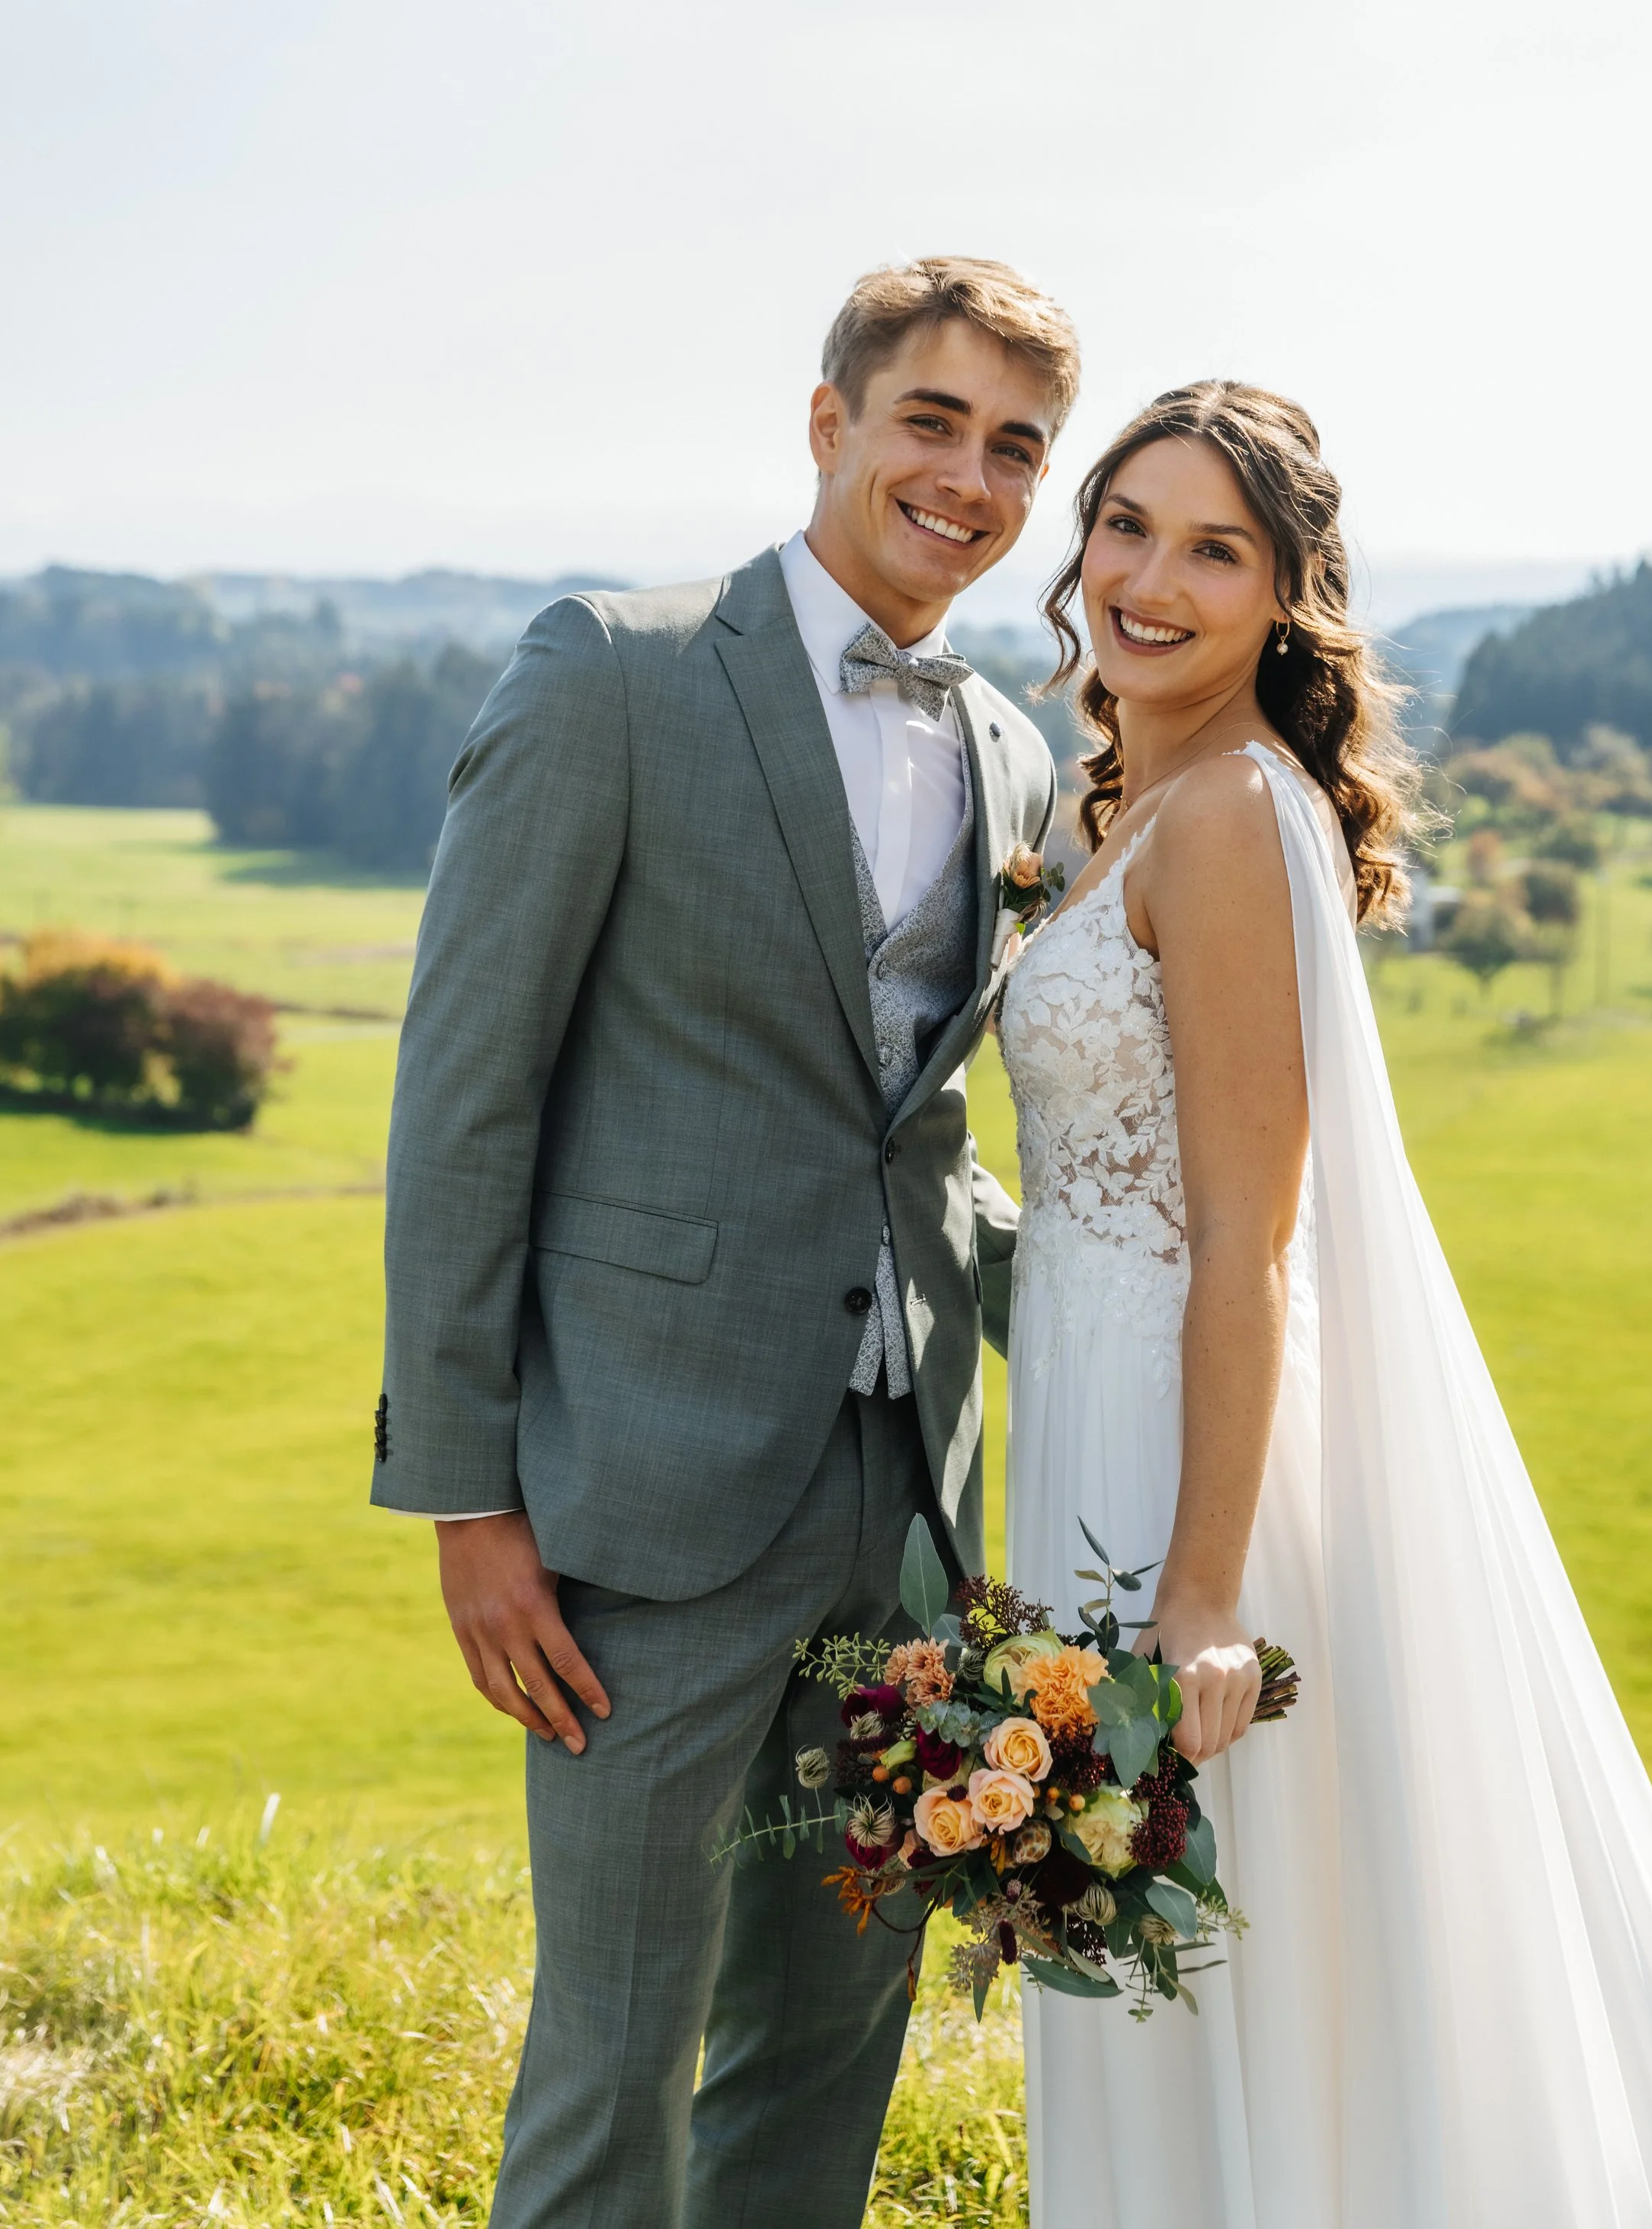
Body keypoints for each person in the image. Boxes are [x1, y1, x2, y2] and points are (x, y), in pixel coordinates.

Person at [1000, 380, 1652, 2228]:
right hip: (1088, 1406)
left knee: (1236, 1951)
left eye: (1211, 549)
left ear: (1286, 600)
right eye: (1125, 524)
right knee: (1154, 1948)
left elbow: (1249, 1237)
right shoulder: (1125, 802)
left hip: (1178, 1452)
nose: (1149, 577)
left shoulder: (1226, 815)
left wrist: (1200, 1590)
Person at [370, 256, 1079, 2229]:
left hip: (908, 1506)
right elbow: (462, 1108)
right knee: (612, 2062)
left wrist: (1154, 1321)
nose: (969, 475)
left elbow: (914, 1146)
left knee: (827, 2048)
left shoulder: (1013, 757)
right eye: (931, 420)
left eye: (1014, 445)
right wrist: (465, 1498)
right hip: (642, 1513)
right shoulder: (612, 667)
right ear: (828, 419)